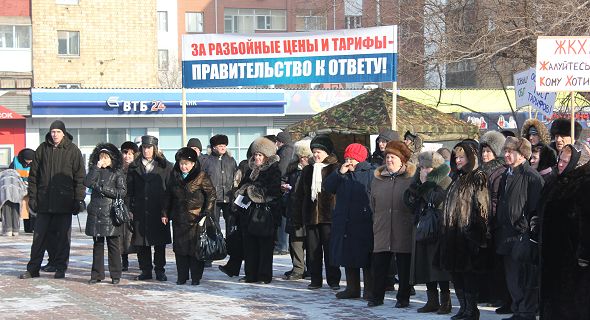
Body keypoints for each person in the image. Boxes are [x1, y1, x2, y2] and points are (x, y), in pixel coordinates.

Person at [19, 120, 86, 280]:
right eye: (52, 132)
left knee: (63, 238)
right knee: (39, 238)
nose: (54, 134)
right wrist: (33, 197)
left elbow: (80, 177)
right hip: (44, 202)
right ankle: (33, 268)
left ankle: (60, 267)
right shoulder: (43, 149)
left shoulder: (73, 150)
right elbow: (33, 176)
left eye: (57, 132)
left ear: (63, 133)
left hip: (64, 203)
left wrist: (78, 199)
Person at [437, 140, 490, 320]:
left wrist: (478, 234)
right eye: (456, 157)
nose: (458, 161)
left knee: (468, 275)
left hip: (468, 236)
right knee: (456, 274)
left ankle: (471, 310)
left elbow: (483, 207)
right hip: (452, 235)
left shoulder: (478, 176)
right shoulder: (456, 177)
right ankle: (463, 307)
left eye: (462, 157)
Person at [494, 137, 543, 320]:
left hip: (522, 236)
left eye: (511, 151)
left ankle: (525, 312)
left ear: (522, 154)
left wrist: (529, 232)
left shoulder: (532, 177)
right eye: (505, 151)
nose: (506, 155)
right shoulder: (507, 174)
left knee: (524, 278)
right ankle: (517, 310)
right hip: (505, 235)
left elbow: (535, 209)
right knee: (512, 279)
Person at [540, 144, 590, 319]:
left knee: (571, 304)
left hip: (573, 259)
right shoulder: (555, 181)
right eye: (559, 159)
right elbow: (543, 208)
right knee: (552, 301)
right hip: (552, 255)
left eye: (565, 161)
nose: (560, 164)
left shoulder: (584, 184)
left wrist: (584, 253)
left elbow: (586, 220)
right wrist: (535, 221)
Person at [323, 143, 374, 300]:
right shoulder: (342, 173)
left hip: (363, 221)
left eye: (351, 158)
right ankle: (352, 288)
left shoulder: (370, 173)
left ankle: (370, 290)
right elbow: (328, 187)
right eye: (346, 158)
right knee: (348, 255)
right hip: (344, 221)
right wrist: (339, 172)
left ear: (359, 159)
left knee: (366, 257)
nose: (348, 161)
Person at [368, 141, 416, 308]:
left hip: (404, 227)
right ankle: (376, 297)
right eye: (387, 157)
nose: (389, 160)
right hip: (382, 226)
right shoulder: (378, 179)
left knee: (403, 266)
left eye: (393, 157)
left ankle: (403, 298)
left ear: (402, 160)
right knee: (379, 265)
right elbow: (372, 202)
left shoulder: (410, 179)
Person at [404, 151, 453, 314]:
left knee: (439, 268)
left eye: (429, 167)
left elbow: (437, 200)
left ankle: (445, 301)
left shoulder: (446, 181)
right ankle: (432, 301)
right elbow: (410, 204)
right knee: (425, 264)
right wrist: (414, 190)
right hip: (422, 227)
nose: (425, 170)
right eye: (423, 167)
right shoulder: (418, 181)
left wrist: (426, 186)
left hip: (439, 229)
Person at [293, 134, 341, 290]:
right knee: (313, 251)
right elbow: (300, 195)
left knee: (330, 250)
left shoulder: (335, 168)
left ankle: (333, 280)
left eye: (319, 151)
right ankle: (315, 279)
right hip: (311, 217)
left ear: (327, 152)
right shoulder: (308, 170)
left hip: (330, 217)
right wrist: (298, 217)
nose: (316, 155)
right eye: (314, 151)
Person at [162, 147, 216, 286]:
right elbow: (168, 195)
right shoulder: (174, 176)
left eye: (186, 163)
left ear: (193, 164)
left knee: (195, 249)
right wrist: (165, 213)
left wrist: (206, 212)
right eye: (181, 163)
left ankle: (196, 277)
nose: (183, 166)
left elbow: (211, 195)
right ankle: (182, 277)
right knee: (180, 249)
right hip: (179, 219)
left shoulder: (201, 176)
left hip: (196, 219)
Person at [234, 137, 281, 284]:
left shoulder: (274, 170)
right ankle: (250, 274)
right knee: (250, 246)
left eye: (260, 155)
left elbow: (272, 191)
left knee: (265, 247)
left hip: (265, 215)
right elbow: (242, 187)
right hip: (249, 214)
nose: (257, 158)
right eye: (255, 155)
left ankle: (264, 276)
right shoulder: (249, 170)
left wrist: (251, 190)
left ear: (267, 156)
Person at [127, 135, 173, 281]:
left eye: (149, 148)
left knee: (159, 243)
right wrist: (129, 210)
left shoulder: (165, 166)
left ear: (155, 149)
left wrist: (166, 211)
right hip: (140, 210)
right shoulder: (134, 166)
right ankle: (145, 270)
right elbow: (129, 191)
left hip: (159, 209)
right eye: (144, 147)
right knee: (142, 243)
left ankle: (160, 270)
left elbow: (169, 191)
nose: (147, 150)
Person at [84, 143, 126, 285]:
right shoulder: (94, 171)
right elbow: (87, 182)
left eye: (106, 157)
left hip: (111, 213)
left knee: (113, 245)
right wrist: (96, 167)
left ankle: (115, 274)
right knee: (98, 245)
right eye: (101, 157)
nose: (104, 160)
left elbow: (122, 192)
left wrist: (104, 189)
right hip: (96, 213)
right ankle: (96, 275)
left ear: (112, 159)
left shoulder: (117, 173)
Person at [282, 138, 312, 280]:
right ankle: (298, 268)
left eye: (305, 156)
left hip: (308, 209)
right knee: (295, 240)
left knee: (310, 242)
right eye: (300, 156)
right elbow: (286, 182)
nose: (302, 159)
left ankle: (309, 269)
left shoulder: (313, 170)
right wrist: (285, 187)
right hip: (294, 208)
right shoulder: (292, 170)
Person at [201, 134, 238, 237]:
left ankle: (231, 248)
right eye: (220, 145)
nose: (223, 148)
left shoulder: (231, 160)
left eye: (224, 145)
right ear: (214, 147)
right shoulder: (207, 161)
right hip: (213, 199)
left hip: (228, 197)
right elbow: (202, 179)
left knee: (231, 225)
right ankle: (217, 248)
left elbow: (236, 178)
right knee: (213, 225)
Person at [119, 141, 139, 271]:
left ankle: (142, 262)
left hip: (136, 205)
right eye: (125, 153)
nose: (128, 156)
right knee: (122, 236)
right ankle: (123, 261)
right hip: (121, 205)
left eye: (131, 153)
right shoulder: (118, 169)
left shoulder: (138, 168)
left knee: (136, 235)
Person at [275, 131, 294, 255]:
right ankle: (283, 245)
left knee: (282, 217)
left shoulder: (285, 151)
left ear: (281, 141)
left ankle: (282, 246)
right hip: (287, 184)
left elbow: (281, 169)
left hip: (283, 186)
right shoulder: (291, 149)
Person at [9, 148, 35, 233]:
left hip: (32, 188)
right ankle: (25, 228)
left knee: (32, 208)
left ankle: (32, 228)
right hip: (18, 188)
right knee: (24, 209)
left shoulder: (37, 161)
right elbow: (10, 173)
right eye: (27, 160)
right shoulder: (16, 162)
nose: (28, 163)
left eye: (30, 161)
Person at [0, 169, 27, 236]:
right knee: (16, 212)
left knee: (6, 212)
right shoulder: (17, 175)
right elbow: (23, 188)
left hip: (5, 195)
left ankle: (8, 230)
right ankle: (15, 230)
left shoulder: (2, 175)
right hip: (16, 195)